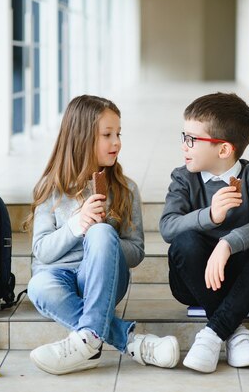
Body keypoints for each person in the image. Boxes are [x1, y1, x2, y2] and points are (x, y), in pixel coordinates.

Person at [25, 95, 180, 375]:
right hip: (58, 277)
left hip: (104, 281)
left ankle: (87, 339)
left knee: (101, 233)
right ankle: (126, 341)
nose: (117, 142)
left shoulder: (126, 189)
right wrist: (77, 225)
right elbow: (42, 251)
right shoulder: (52, 189)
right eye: (107, 135)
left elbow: (136, 252)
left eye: (118, 134)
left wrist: (104, 236)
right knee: (37, 287)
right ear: (81, 138)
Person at [160, 92, 249, 373]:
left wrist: (228, 243)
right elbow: (167, 227)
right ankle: (234, 331)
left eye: (192, 139)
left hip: (239, 280)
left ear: (224, 150)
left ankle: (213, 333)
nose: (184, 146)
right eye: (184, 136)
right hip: (193, 283)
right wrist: (210, 216)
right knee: (185, 242)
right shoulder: (183, 177)